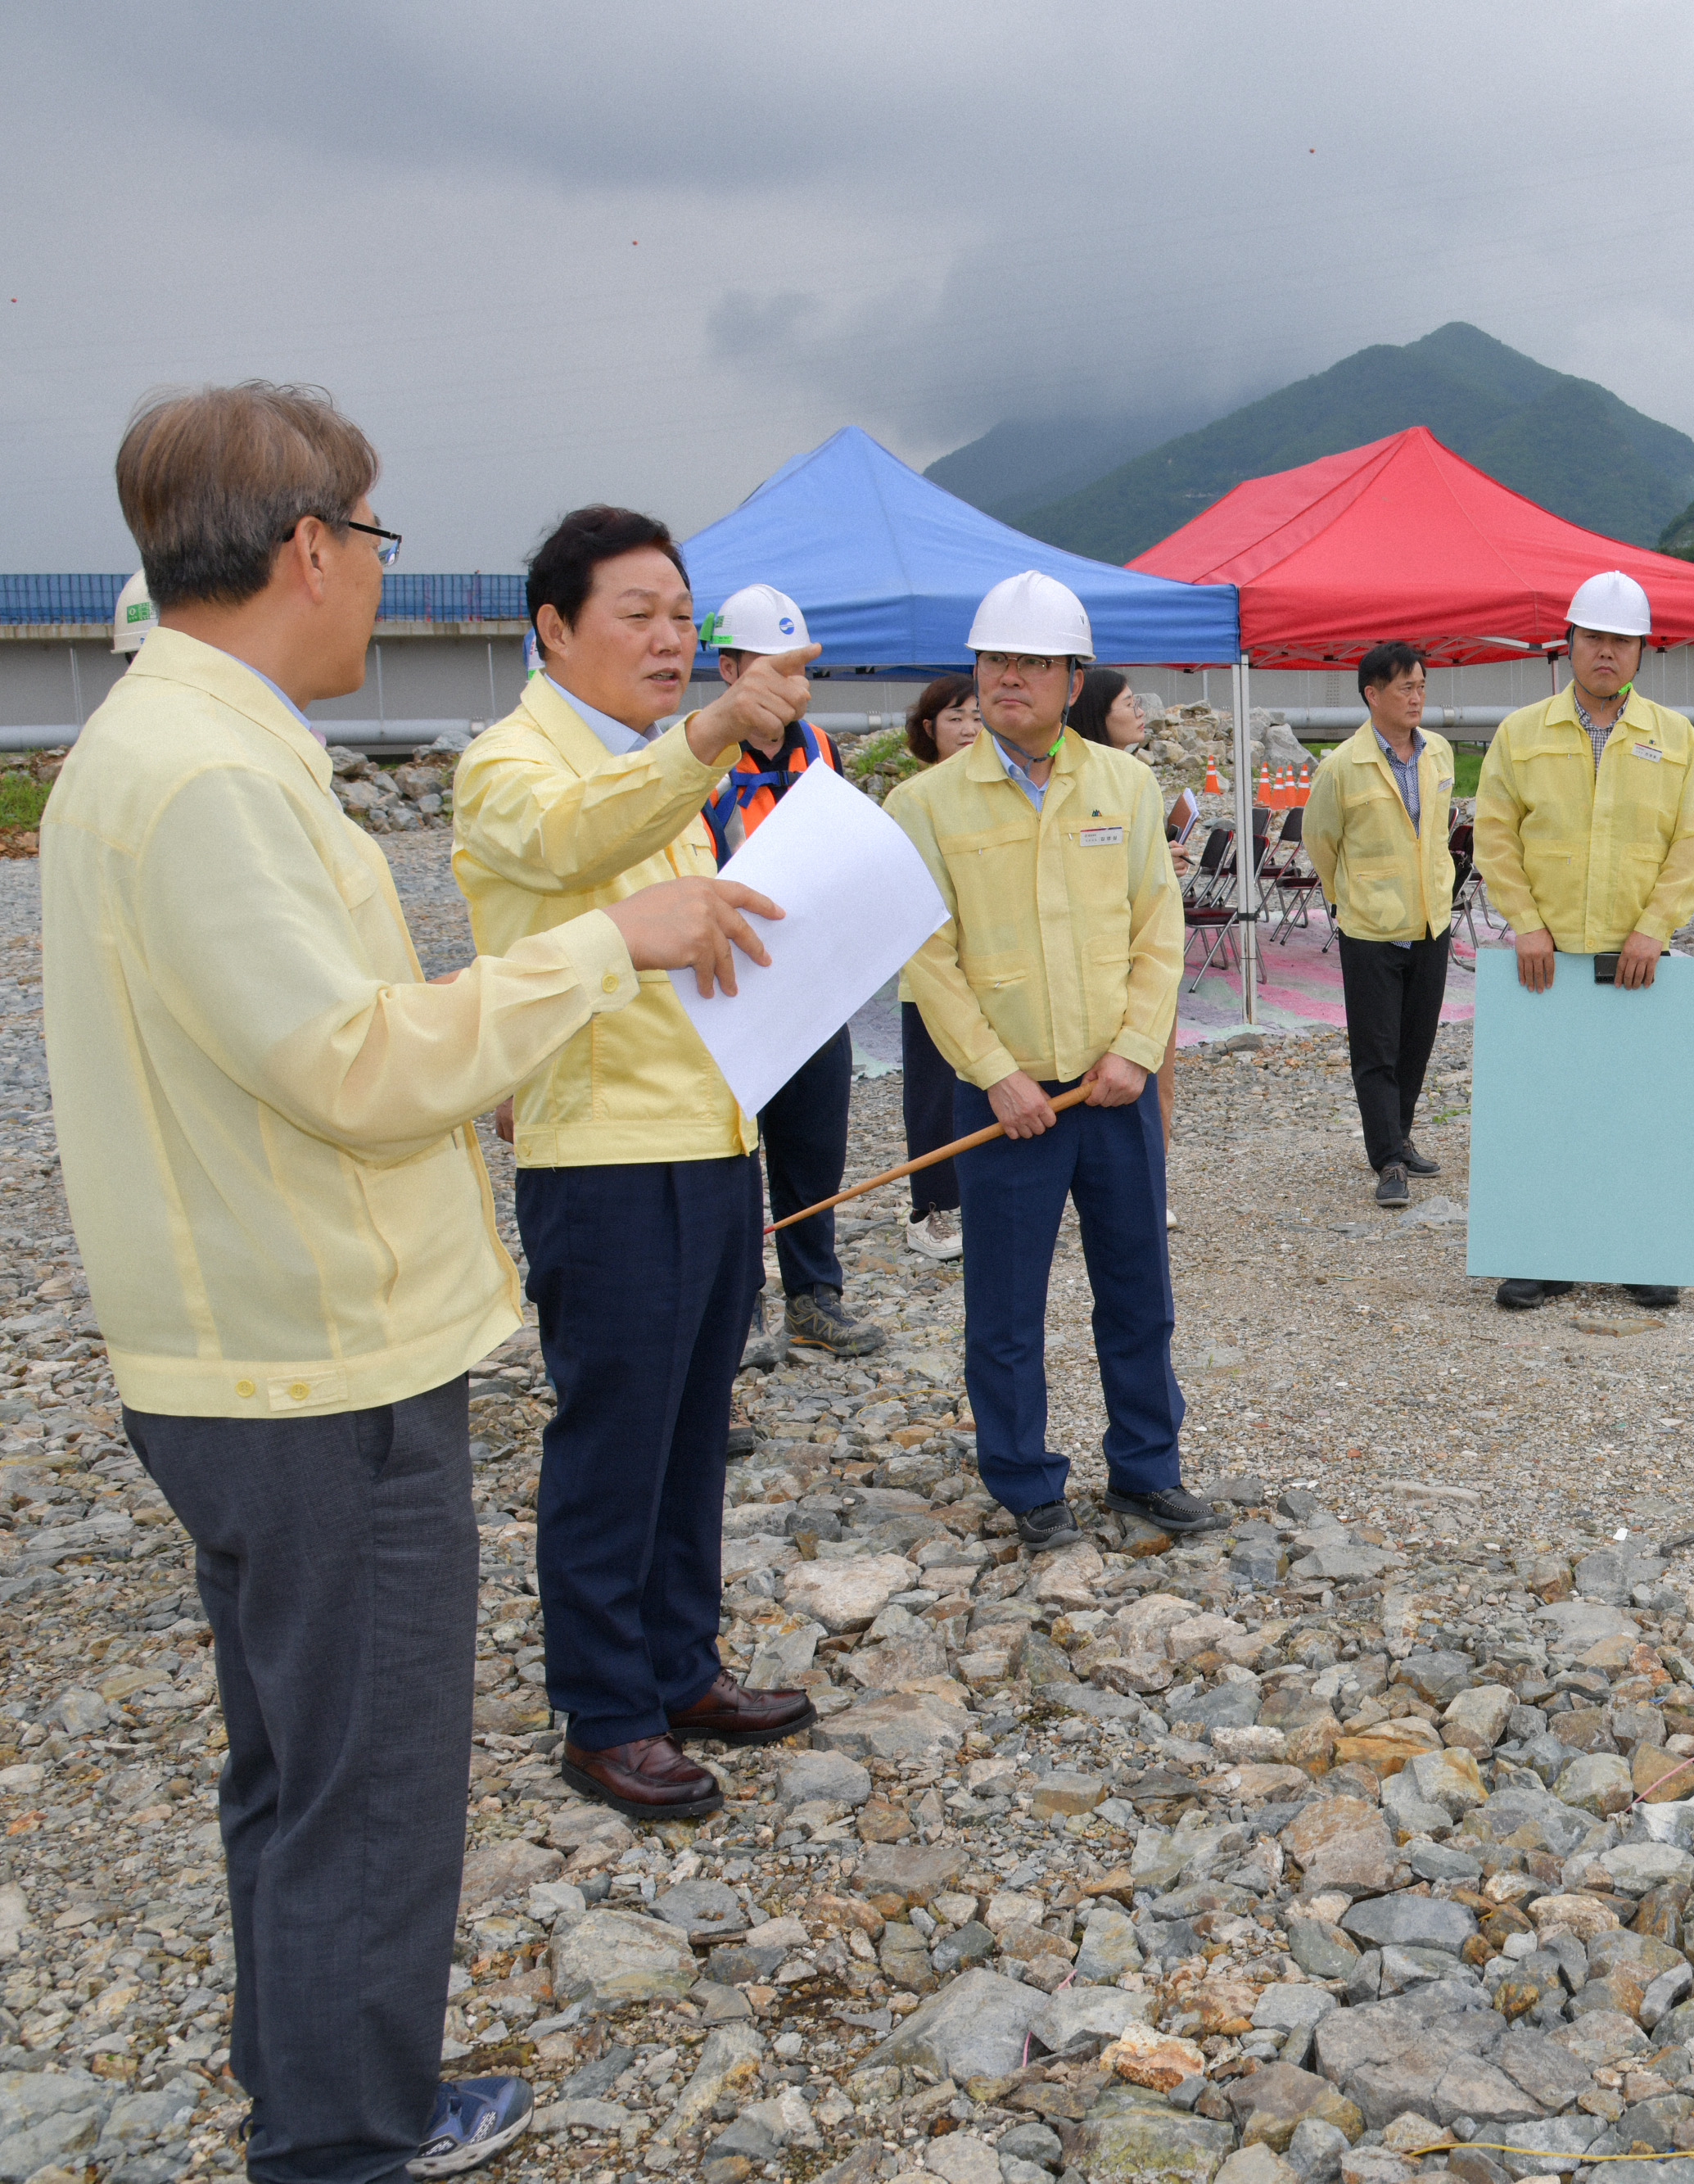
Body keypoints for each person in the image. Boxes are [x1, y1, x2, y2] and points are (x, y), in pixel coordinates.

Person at [47, 382, 783, 2184]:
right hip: (316, 1361)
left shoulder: (183, 743)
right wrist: (606, 948)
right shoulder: (212, 770)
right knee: (364, 1787)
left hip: (265, 1339)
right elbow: (356, 1065)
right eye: (373, 539)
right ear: (307, 546)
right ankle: (343, 2138)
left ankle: (318, 2089)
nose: (382, 574)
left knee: (300, 1774)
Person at [454, 505, 827, 1823]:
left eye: (684, 615)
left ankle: (681, 1664)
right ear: (553, 627)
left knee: (691, 1425)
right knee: (612, 1433)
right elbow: (570, 846)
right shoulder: (515, 764)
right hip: (605, 1154)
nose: (672, 639)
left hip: (713, 1135)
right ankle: (603, 1708)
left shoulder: (654, 765)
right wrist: (712, 732)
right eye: (638, 613)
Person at [888, 571, 1220, 1549]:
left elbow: (1159, 928)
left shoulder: (1123, 784)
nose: (1009, 679)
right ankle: (1026, 1483)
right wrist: (995, 1070)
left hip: (1110, 1093)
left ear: (1073, 679)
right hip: (1006, 1101)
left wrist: (1131, 1052)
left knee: (1136, 1292)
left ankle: (1144, 1471)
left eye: (1033, 663)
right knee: (1003, 1308)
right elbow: (927, 957)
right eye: (995, 660)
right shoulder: (927, 803)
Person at [1472, 571, 1694, 1314]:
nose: (1605, 652)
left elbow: (1692, 841)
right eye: (1593, 638)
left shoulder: (1674, 739)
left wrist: (1653, 926)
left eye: (1621, 641)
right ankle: (1541, 1255)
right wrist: (1524, 921)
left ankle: (1639, 1251)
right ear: (1568, 646)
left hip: (1635, 958)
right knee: (1545, 1106)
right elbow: (1495, 835)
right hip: (1544, 958)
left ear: (1642, 651)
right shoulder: (1521, 734)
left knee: (1636, 1108)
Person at [701, 583, 887, 1367]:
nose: (790, 688)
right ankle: (733, 1316)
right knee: (731, 1155)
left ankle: (815, 1297)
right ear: (729, 667)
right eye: (769, 669)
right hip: (728, 982)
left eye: (799, 671)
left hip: (810, 979)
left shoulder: (819, 746)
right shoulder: (697, 755)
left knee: (814, 1145)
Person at [1304, 641, 1457, 1209]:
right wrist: (1341, 899)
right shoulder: (1342, 765)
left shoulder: (1437, 752)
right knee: (1376, 1048)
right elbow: (1320, 841)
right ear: (1372, 694)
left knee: (1415, 1042)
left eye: (1420, 685)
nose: (1416, 697)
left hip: (1429, 922)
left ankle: (1402, 1134)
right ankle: (1386, 1159)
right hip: (1369, 926)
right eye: (1404, 688)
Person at [1064, 666, 1193, 1210]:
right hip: (1097, 963)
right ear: (1096, 709)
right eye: (1127, 702)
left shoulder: (1132, 778)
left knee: (1153, 1079)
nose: (1139, 711)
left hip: (1144, 957)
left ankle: (1147, 1187)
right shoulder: (1080, 785)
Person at [895, 673, 981, 1259]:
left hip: (988, 968)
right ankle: (927, 1211)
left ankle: (976, 1199)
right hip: (928, 969)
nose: (969, 728)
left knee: (983, 1084)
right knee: (933, 1093)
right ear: (929, 729)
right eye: (955, 718)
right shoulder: (912, 798)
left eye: (976, 716)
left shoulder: (991, 792)